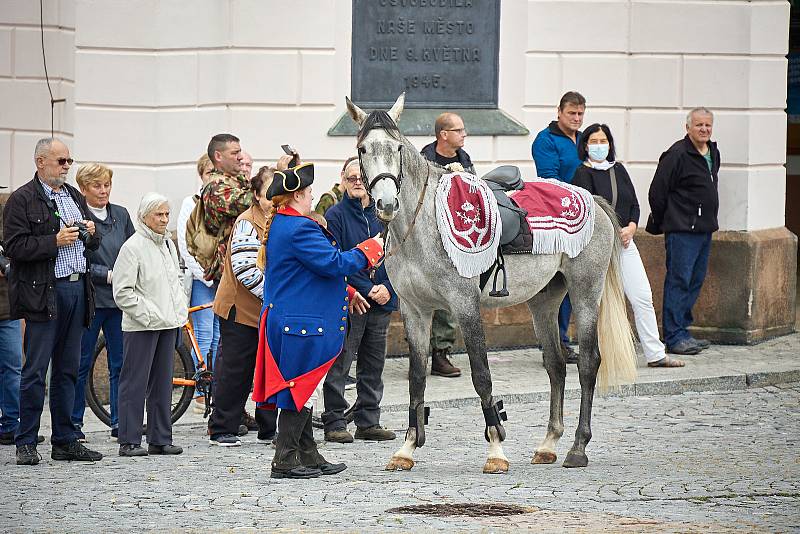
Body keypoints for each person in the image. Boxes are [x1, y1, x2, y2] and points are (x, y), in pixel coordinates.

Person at [252, 163, 383, 479]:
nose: (312, 198)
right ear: (296, 195)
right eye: (309, 193)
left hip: (294, 320)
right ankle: (284, 459)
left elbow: (308, 272)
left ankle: (308, 454)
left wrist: (348, 290)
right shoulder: (299, 228)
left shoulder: (287, 224)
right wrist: (371, 248)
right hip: (300, 323)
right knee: (299, 388)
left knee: (305, 388)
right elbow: (332, 262)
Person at [3, 137, 103, 465]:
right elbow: (15, 248)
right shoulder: (22, 199)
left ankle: (65, 439)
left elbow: (93, 243)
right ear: (40, 162)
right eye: (61, 162)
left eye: (69, 161)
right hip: (44, 291)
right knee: (34, 370)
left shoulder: (72, 195)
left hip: (76, 289)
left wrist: (90, 231)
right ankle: (26, 440)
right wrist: (53, 241)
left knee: (68, 370)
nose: (66, 167)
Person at [572, 124, 685, 368]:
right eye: (594, 141)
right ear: (585, 145)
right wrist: (611, 232)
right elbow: (585, 210)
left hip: (625, 243)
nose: (600, 145)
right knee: (598, 302)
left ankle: (655, 354)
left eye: (604, 141)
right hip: (597, 248)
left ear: (610, 144)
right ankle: (594, 355)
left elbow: (634, 203)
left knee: (642, 297)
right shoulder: (581, 174)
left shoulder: (619, 170)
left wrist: (632, 227)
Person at [322, 158, 397, 443]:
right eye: (351, 177)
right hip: (350, 300)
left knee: (373, 365)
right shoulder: (335, 215)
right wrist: (366, 288)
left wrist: (388, 287)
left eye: (361, 177)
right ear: (342, 179)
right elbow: (336, 261)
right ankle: (335, 422)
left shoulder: (384, 214)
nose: (357, 182)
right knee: (340, 363)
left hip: (383, 300)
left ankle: (368, 421)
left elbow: (399, 256)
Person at [207, 165, 282, 447]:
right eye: (268, 194)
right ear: (256, 195)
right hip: (241, 308)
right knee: (236, 369)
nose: (273, 199)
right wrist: (276, 296)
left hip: (267, 309)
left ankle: (267, 428)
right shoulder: (246, 222)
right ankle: (222, 427)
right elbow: (245, 270)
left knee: (269, 370)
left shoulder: (277, 219)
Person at [113, 192, 188, 457]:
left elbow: (175, 281)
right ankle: (130, 439)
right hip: (142, 325)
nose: (164, 219)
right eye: (159, 214)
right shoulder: (132, 247)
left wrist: (178, 310)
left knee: (163, 382)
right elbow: (122, 292)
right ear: (144, 217)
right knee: (134, 382)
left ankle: (160, 438)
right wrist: (148, 314)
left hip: (168, 322)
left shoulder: (167, 243)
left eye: (167, 214)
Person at [647, 108, 720, 356]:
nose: (704, 129)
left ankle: (683, 331)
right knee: (679, 280)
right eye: (699, 125)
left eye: (708, 125)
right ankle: (673, 335)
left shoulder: (712, 152)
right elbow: (657, 192)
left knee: (695, 281)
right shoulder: (677, 154)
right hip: (682, 230)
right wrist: (668, 219)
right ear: (687, 127)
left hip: (704, 228)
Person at [72, 163, 135, 441]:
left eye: (106, 184)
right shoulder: (78, 215)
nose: (103, 190)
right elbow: (76, 258)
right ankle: (74, 423)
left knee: (120, 363)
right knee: (80, 362)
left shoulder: (120, 214)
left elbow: (134, 248)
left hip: (119, 300)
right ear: (84, 189)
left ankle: (120, 422)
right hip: (90, 297)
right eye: (97, 186)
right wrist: (108, 274)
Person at [531, 91, 587, 363]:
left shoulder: (586, 139)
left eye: (580, 114)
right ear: (559, 112)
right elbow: (550, 181)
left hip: (586, 218)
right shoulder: (546, 140)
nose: (576, 118)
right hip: (560, 218)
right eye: (571, 113)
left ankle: (575, 339)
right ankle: (556, 343)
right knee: (559, 286)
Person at [419, 112, 473, 378]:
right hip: (426, 240)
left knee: (447, 301)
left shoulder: (465, 160)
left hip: (456, 239)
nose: (464, 134)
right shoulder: (423, 159)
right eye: (459, 130)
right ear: (444, 135)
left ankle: (441, 354)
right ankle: (417, 354)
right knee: (420, 300)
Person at [177, 154, 220, 415]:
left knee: (219, 336)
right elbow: (185, 243)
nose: (212, 178)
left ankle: (215, 388)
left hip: (223, 278)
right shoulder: (190, 203)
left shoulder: (222, 203)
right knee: (203, 335)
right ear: (201, 175)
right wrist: (204, 273)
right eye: (208, 173)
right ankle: (201, 390)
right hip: (203, 277)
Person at [1, 202, 44, 446]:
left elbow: (17, 252)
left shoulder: (10, 217)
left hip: (6, 309)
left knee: (14, 367)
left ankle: (11, 424)